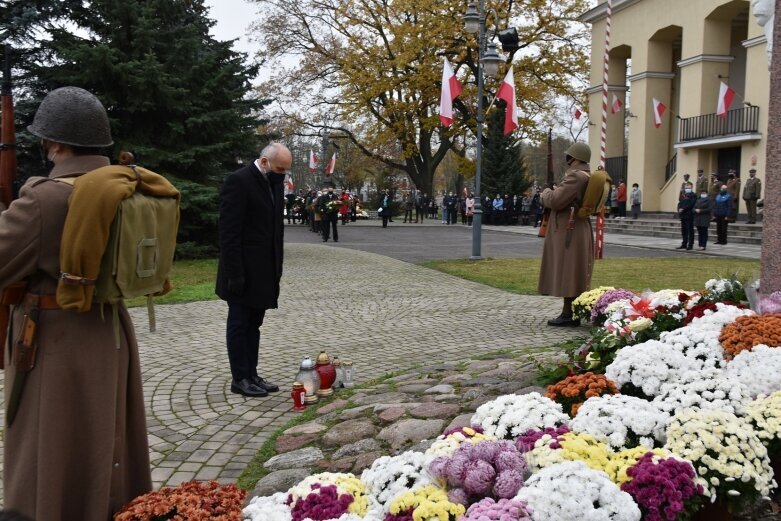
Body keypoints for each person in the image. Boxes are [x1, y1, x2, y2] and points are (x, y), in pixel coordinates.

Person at [0, 87, 152, 519]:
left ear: (58, 143)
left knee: (49, 443)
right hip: (108, 329)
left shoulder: (45, 198)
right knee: (107, 434)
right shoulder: (123, 184)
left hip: (54, 340)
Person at [216, 142, 289, 397]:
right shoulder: (239, 181)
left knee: (254, 324)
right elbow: (229, 232)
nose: (283, 174)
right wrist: (234, 272)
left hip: (264, 270)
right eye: (280, 169)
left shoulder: (274, 183)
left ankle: (252, 373)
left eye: (286, 171)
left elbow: (276, 231)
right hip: (242, 272)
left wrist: (277, 267)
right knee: (239, 323)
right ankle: (240, 378)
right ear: (265, 161)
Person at [538, 142, 594, 327]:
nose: (567, 160)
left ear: (575, 158)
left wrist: (545, 192)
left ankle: (569, 314)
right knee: (573, 271)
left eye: (569, 156)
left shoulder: (576, 177)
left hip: (570, 229)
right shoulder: (585, 175)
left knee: (570, 271)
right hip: (576, 227)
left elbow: (555, 201)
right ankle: (570, 311)